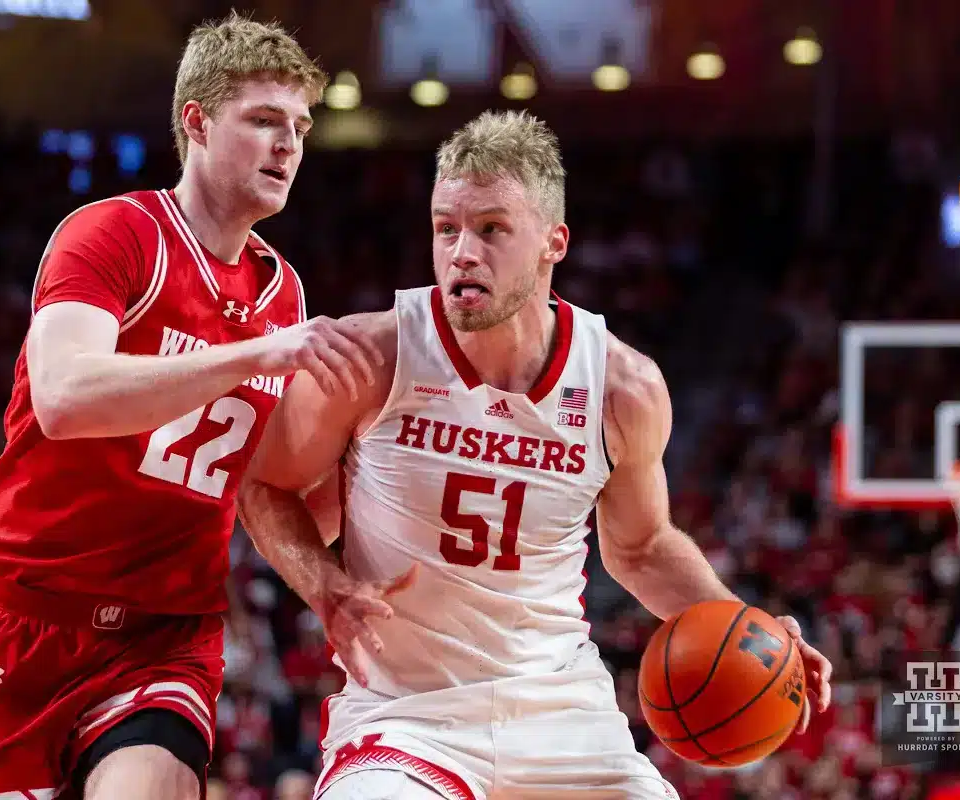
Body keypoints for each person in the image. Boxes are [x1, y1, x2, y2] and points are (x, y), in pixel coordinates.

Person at [238, 110, 835, 799]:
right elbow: (265, 484)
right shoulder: (372, 356)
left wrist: (751, 627)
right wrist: (322, 582)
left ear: (554, 243)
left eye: (492, 229)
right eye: (446, 228)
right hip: (407, 719)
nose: (462, 251)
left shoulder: (622, 387)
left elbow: (640, 549)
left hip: (564, 716)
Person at [0, 13, 381, 800]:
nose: (289, 145)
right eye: (263, 121)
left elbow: (267, 485)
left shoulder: (283, 293)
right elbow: (64, 397)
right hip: (27, 613)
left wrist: (334, 559)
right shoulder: (114, 233)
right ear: (197, 122)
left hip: (163, 635)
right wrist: (253, 357)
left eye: (300, 126)